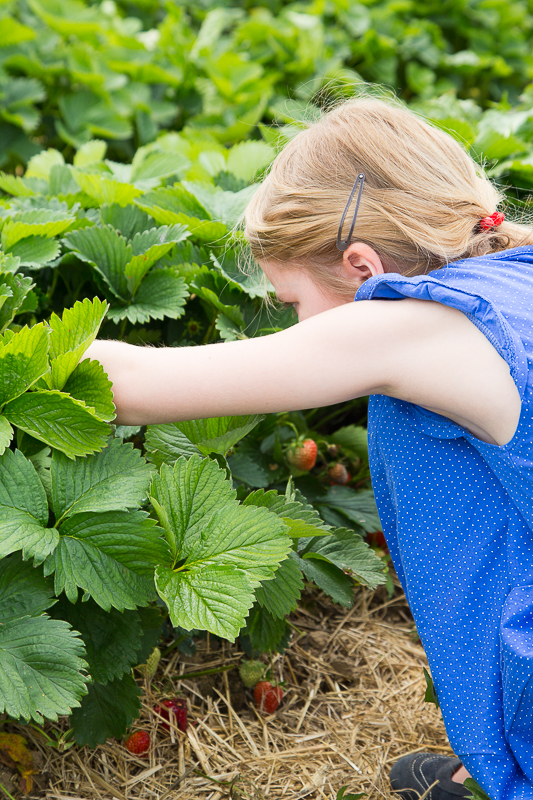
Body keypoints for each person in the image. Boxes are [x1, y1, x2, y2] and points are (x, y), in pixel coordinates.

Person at [86, 96, 533, 800]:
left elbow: (132, 386)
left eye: (292, 303)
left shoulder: (408, 327)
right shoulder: (515, 266)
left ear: (361, 265)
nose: (295, 325)